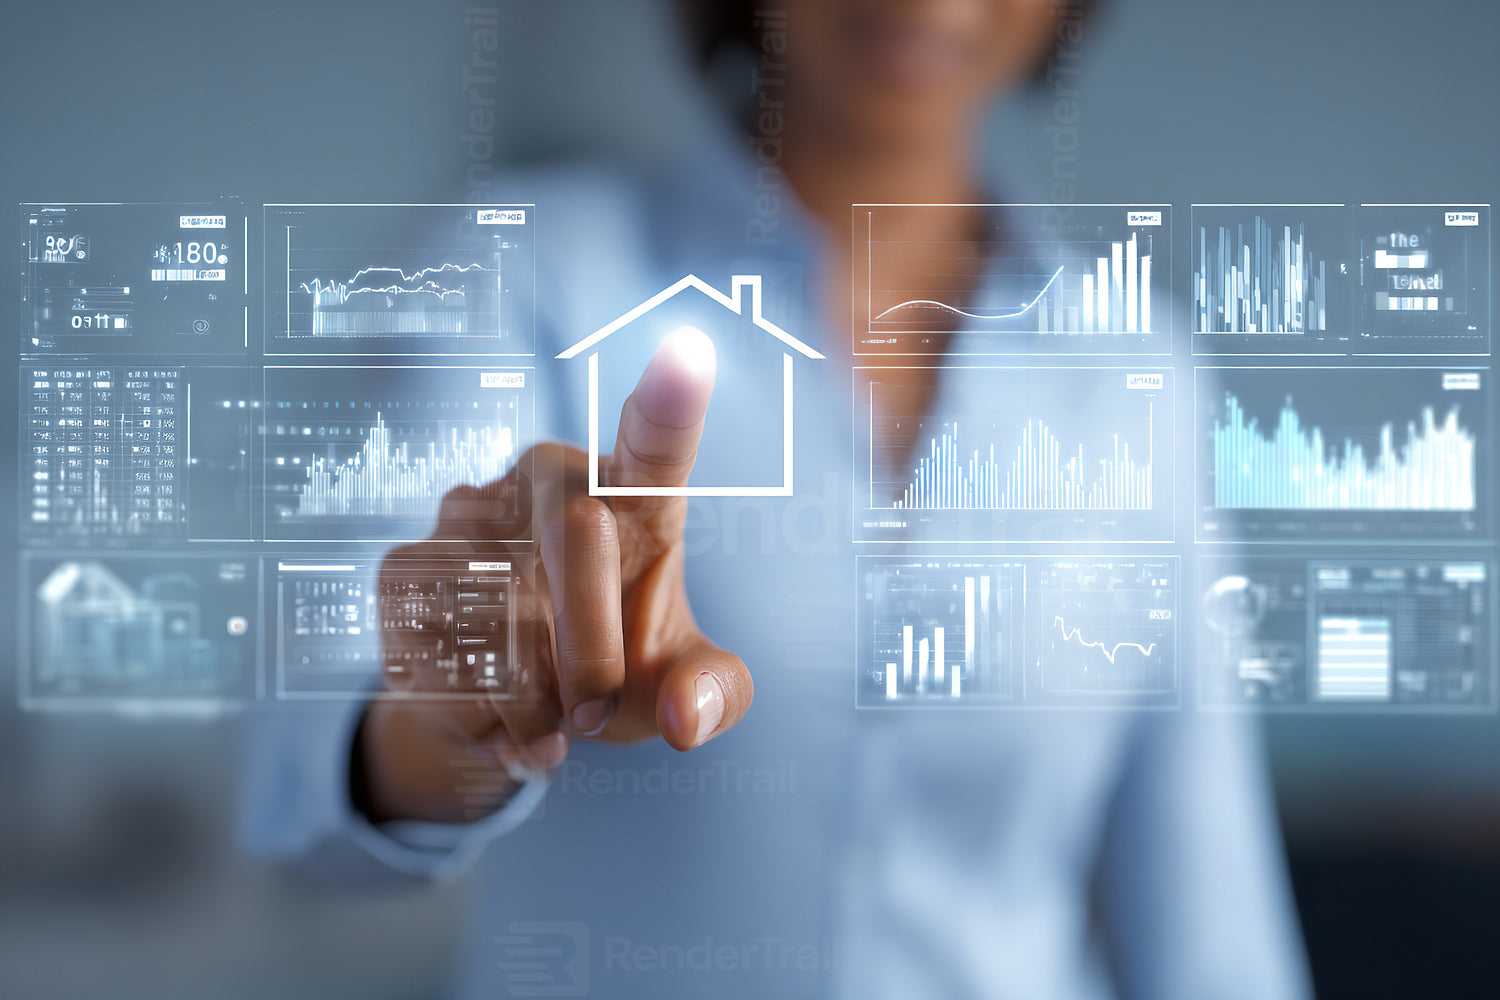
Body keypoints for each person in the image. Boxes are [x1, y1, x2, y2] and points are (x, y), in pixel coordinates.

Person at [242, 1, 1312, 996]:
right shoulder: (524, 268)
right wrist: (468, 717)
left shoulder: (1141, 369)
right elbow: (301, 776)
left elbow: (1210, 925)